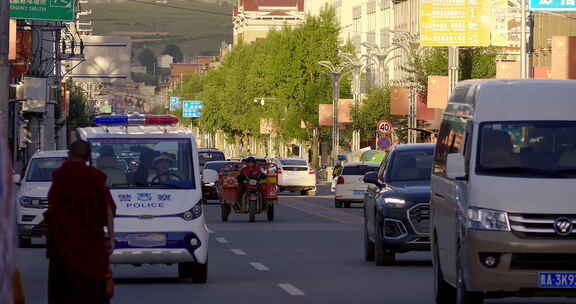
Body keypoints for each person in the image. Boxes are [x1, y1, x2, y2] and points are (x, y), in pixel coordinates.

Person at [45, 140, 116, 304]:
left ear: (69, 155)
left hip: (62, 246)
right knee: (92, 293)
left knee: (63, 293)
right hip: (91, 245)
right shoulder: (96, 177)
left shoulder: (60, 176)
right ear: (88, 157)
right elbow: (108, 209)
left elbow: (52, 206)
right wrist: (111, 238)